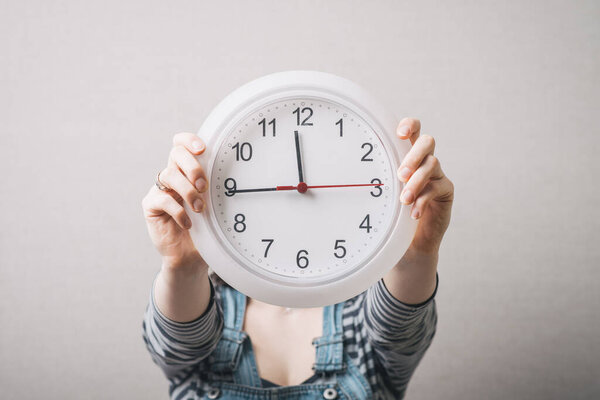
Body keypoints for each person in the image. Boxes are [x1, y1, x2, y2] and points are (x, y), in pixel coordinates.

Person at [141, 117, 454, 399]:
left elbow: (399, 329)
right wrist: (183, 265)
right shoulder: (203, 309)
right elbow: (174, 344)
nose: (300, 192)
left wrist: (418, 252)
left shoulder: (362, 318)